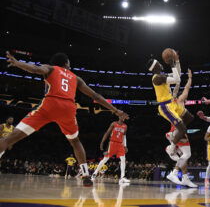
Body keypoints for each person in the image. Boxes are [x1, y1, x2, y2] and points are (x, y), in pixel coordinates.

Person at [0, 51, 126, 187]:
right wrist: (115, 110)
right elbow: (95, 96)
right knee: (76, 142)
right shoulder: (76, 78)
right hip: (68, 109)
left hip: (50, 105)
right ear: (66, 63)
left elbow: (36, 69)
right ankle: (85, 175)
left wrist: (17, 63)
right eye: (69, 63)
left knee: (10, 138)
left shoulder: (51, 68)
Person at [147, 53, 194, 158]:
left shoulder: (162, 76)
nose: (161, 63)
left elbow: (178, 76)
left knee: (189, 117)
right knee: (183, 129)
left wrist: (176, 62)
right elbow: (177, 80)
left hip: (172, 103)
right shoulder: (157, 78)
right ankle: (171, 147)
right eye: (158, 63)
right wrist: (172, 65)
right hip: (165, 107)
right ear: (155, 66)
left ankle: (173, 135)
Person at [164, 69, 197, 187]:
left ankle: (185, 178)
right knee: (186, 155)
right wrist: (190, 78)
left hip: (175, 130)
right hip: (177, 131)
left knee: (185, 156)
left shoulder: (174, 103)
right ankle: (174, 172)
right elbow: (187, 89)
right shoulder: (180, 100)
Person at [92, 115, 130, 184]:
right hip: (112, 143)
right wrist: (102, 142)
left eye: (124, 117)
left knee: (123, 159)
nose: (123, 118)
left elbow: (124, 136)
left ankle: (122, 177)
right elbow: (107, 133)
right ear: (119, 117)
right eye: (122, 116)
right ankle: (95, 173)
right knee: (105, 159)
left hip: (120, 144)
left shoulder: (125, 126)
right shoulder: (114, 124)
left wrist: (125, 146)